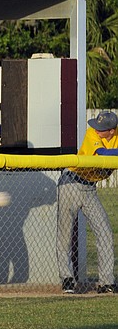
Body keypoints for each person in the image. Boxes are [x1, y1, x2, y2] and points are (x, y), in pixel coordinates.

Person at [56, 110, 118, 294]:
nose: (97, 130)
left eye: (103, 129)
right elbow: (104, 154)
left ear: (112, 131)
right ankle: (67, 279)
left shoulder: (115, 135)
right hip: (71, 182)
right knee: (65, 234)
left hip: (90, 188)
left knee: (105, 232)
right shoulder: (92, 133)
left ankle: (107, 282)